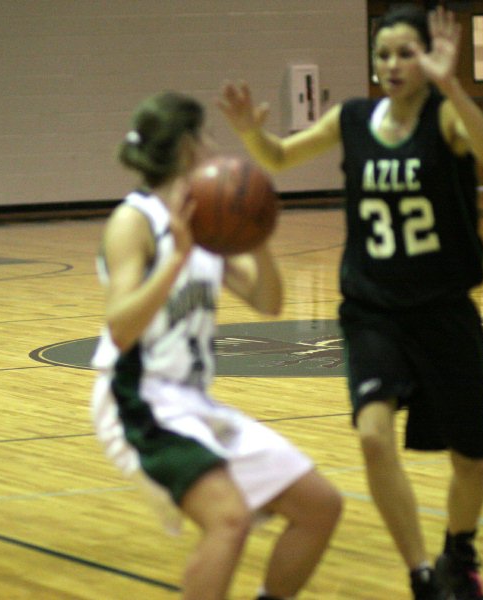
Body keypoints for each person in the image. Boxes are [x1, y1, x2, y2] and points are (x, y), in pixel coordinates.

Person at [218, 5, 483, 600]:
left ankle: (460, 551)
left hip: (444, 309)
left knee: (471, 460)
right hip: (374, 310)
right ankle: (422, 574)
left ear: (427, 59)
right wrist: (250, 131)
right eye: (384, 54)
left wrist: (453, 84)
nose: (394, 65)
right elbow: (278, 157)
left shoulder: (446, 118)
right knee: (374, 437)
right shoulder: (352, 119)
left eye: (407, 53)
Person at [90, 91, 342, 600]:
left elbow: (268, 301)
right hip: (137, 400)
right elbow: (119, 326)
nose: (214, 145)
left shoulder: (207, 218)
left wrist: (258, 231)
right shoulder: (133, 222)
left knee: (319, 507)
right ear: (186, 147)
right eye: (206, 135)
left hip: (192, 402)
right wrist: (177, 259)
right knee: (229, 519)